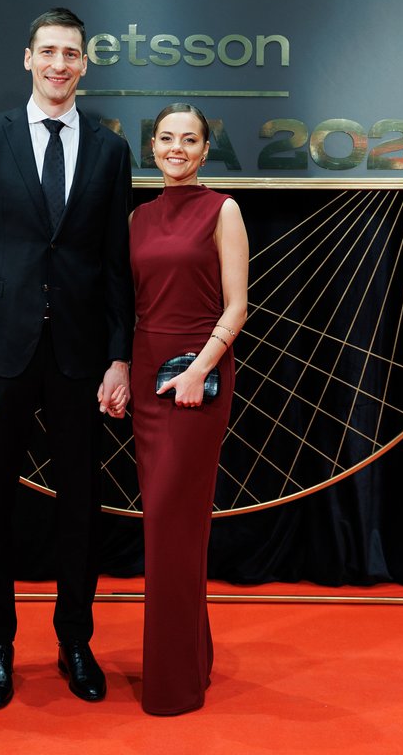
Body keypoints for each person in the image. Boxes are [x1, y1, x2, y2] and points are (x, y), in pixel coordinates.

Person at [0, 7, 134, 709]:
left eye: (71, 53)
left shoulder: (111, 149)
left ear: (86, 64)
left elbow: (115, 265)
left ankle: (74, 641)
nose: (59, 64)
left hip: (81, 355)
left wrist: (120, 358)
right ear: (27, 58)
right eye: (48, 51)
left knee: (81, 506)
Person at [129, 103, 249, 715]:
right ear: (152, 147)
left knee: (173, 527)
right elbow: (134, 304)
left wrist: (200, 369)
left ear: (205, 150)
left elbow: (237, 306)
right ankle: (189, 660)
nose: (177, 148)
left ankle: (172, 683)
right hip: (146, 374)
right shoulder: (138, 218)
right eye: (166, 138)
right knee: (165, 527)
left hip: (199, 377)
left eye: (190, 139)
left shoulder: (223, 210)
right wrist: (120, 371)